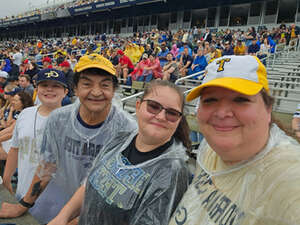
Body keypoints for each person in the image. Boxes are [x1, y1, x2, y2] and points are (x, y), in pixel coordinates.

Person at [0, 54, 137, 224]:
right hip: (54, 209)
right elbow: (47, 166)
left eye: (105, 85)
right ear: (75, 88)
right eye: (87, 84)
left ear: (113, 90)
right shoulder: (58, 119)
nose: (96, 92)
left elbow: (116, 189)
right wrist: (23, 205)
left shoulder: (127, 129)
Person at [169, 55, 300, 225]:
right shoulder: (209, 149)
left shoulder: (290, 183)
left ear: (268, 109)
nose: (222, 113)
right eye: (210, 100)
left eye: (240, 99)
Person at [48, 80, 191, 225]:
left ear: (179, 120)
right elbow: (91, 182)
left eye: (172, 113)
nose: (161, 116)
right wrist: (63, 217)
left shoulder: (172, 172)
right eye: (153, 106)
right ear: (138, 106)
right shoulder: (120, 139)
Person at [2, 68, 68, 202]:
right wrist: (7, 178)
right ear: (37, 89)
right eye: (44, 85)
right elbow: (15, 148)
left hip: (56, 200)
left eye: (56, 86)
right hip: (23, 190)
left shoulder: (72, 120)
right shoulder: (26, 113)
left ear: (65, 92)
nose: (49, 89)